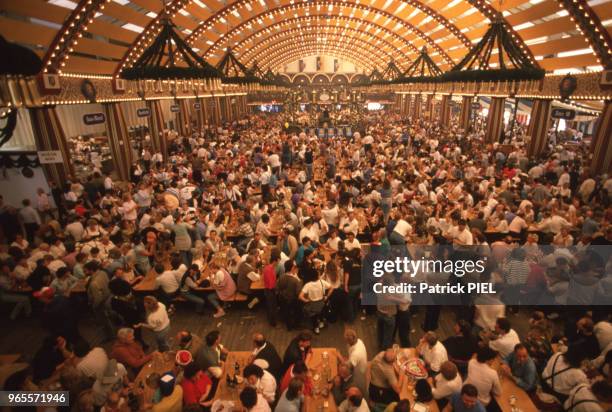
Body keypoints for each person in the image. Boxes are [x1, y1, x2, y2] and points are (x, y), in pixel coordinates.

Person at [277, 260, 303, 330]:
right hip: (293, 300)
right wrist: (299, 280)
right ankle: (295, 325)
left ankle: (289, 326)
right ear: (292, 268)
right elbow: (298, 292)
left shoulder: (281, 277)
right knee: (296, 311)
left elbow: (278, 287)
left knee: (287, 312)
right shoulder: (296, 280)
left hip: (283, 298)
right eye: (295, 266)